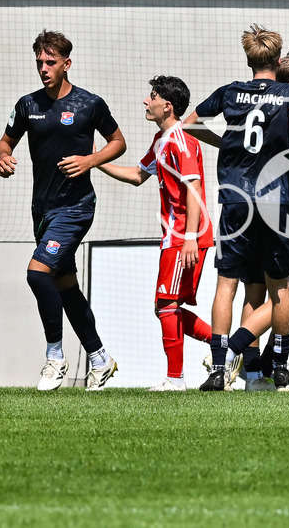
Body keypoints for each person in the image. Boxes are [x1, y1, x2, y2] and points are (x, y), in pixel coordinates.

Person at [182, 25, 289, 391]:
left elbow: (190, 124)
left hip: (236, 199)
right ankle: (280, 362)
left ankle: (219, 367)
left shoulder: (229, 92)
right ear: (279, 60)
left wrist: (225, 141)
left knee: (227, 283)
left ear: (249, 59)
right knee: (280, 287)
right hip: (275, 199)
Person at [0, 30, 126, 391]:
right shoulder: (27, 105)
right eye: (39, 62)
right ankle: (100, 359)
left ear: (67, 64)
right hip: (43, 210)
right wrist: (3, 157)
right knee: (66, 286)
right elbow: (4, 142)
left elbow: (119, 142)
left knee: (38, 274)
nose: (44, 68)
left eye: (50, 62)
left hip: (77, 206)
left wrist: (91, 160)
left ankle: (55, 358)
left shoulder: (89, 104)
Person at [96, 76, 215, 391]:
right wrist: (96, 162)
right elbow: (137, 175)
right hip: (176, 236)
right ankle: (224, 349)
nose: (146, 102)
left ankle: (177, 379)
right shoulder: (160, 140)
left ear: (168, 106)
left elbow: (194, 187)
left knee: (166, 305)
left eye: (152, 97)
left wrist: (189, 237)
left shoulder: (182, 140)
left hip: (185, 236)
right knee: (167, 306)